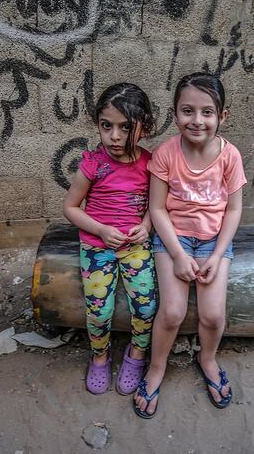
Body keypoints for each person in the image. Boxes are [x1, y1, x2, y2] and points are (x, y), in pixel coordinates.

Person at [134, 72, 246, 418]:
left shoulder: (230, 157)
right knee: (172, 312)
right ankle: (156, 367)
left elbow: (234, 208)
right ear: (175, 112)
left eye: (207, 112)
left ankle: (207, 358)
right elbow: (156, 208)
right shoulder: (166, 154)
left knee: (213, 315)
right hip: (174, 239)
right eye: (188, 111)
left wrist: (216, 254)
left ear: (222, 116)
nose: (197, 120)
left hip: (214, 241)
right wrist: (179, 255)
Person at [63, 83, 157, 396]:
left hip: (135, 249)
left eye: (125, 127)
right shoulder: (93, 163)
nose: (114, 136)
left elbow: (158, 206)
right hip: (97, 249)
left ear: (144, 126)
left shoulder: (151, 164)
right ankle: (100, 358)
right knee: (99, 311)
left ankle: (137, 355)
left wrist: (146, 226)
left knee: (145, 308)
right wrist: (101, 230)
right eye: (107, 126)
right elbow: (70, 208)